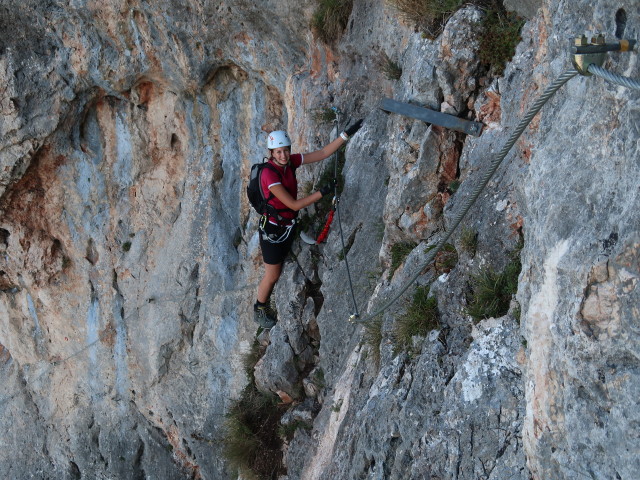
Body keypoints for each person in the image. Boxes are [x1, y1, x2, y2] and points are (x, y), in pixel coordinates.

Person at [254, 120, 363, 328]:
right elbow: (294, 204)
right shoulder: (269, 174)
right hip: (273, 231)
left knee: (280, 264)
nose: (283, 156)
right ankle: (260, 307)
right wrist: (322, 193)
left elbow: (322, 153)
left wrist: (346, 135)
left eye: (286, 151)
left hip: (287, 225)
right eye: (278, 152)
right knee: (273, 274)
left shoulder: (290, 162)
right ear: (271, 153)